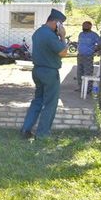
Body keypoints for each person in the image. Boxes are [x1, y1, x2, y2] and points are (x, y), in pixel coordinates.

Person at [21, 9, 68, 139]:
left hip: (37, 70)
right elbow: (63, 53)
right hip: (49, 72)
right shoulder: (50, 35)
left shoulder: (38, 32)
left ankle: (26, 129)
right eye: (61, 24)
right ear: (56, 23)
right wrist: (63, 36)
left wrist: (58, 36)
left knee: (38, 101)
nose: (62, 27)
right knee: (50, 103)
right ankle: (42, 134)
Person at [76, 21, 100, 93]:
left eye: (86, 26)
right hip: (80, 55)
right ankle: (80, 88)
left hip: (88, 56)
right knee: (79, 72)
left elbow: (100, 43)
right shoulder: (81, 34)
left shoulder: (94, 35)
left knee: (88, 72)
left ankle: (88, 89)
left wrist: (95, 49)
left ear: (90, 26)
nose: (84, 27)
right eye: (83, 26)